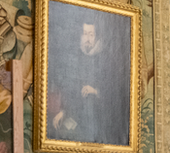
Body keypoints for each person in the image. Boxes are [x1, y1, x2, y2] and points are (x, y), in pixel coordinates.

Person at [48, 16, 129, 145]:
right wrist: (63, 111)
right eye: (85, 34)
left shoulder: (106, 59)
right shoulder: (77, 57)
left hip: (101, 120)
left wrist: (96, 91)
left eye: (91, 34)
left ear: (97, 37)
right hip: (78, 116)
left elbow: (116, 94)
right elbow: (71, 91)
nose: (87, 39)